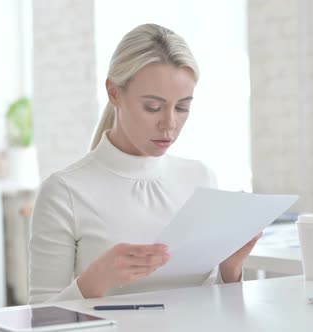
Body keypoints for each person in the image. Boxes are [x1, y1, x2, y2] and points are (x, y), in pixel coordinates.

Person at [28, 23, 260, 304]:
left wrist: (230, 269)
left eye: (182, 107)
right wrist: (96, 279)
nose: (169, 124)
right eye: (153, 107)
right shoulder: (64, 192)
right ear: (114, 93)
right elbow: (41, 320)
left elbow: (209, 304)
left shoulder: (200, 178)